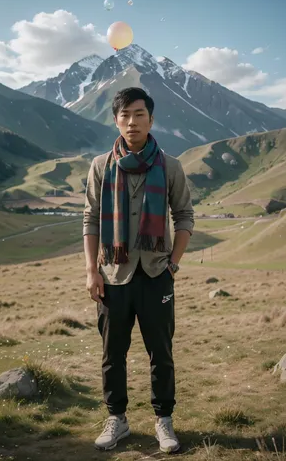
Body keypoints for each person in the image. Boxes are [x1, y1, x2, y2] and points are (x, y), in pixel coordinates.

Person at [83, 87, 194, 453]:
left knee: (160, 353)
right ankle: (118, 419)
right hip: (113, 276)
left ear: (151, 118)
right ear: (115, 120)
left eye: (139, 114)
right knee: (112, 353)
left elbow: (184, 216)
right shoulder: (101, 166)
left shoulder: (171, 166)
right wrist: (91, 270)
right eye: (125, 114)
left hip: (155, 274)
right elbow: (91, 220)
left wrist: (173, 264)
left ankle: (164, 421)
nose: (132, 121)